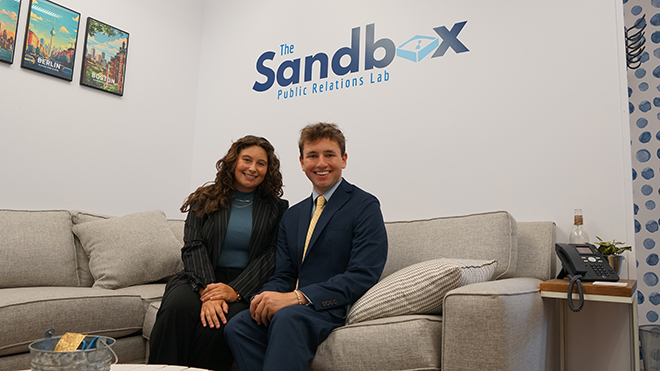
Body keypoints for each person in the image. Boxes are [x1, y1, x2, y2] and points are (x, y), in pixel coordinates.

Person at [224, 122, 388, 371]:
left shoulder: (364, 205)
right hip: (294, 307)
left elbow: (363, 274)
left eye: (329, 155)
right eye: (312, 156)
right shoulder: (292, 215)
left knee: (288, 318)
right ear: (302, 163)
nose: (321, 163)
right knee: (239, 325)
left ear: (343, 159)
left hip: (330, 307)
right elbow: (284, 274)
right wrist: (264, 297)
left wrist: (299, 298)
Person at [148, 135, 289, 371]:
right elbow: (193, 245)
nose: (252, 168)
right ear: (234, 161)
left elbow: (272, 254)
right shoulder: (204, 198)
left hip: (244, 284)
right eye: (247, 160)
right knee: (177, 309)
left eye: (261, 163)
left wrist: (234, 291)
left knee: (216, 325)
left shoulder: (277, 208)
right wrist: (209, 290)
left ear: (268, 169)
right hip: (199, 277)